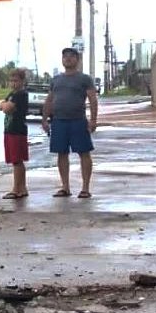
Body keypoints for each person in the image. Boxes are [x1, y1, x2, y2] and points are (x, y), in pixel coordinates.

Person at [42, 47, 98, 199]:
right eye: (65, 56)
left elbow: (93, 99)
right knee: (61, 153)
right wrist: (45, 119)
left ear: (77, 60)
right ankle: (65, 187)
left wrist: (93, 120)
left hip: (78, 121)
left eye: (71, 56)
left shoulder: (85, 79)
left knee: (84, 153)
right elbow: (49, 99)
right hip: (59, 121)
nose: (67, 59)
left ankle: (85, 188)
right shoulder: (56, 80)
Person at [0, 68, 30, 199]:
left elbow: (7, 108)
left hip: (17, 130)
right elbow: (0, 106)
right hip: (9, 130)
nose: (13, 83)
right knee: (15, 160)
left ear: (22, 81)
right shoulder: (12, 94)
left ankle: (17, 188)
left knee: (17, 161)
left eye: (16, 80)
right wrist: (5, 105)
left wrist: (6, 105)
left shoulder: (21, 95)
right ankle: (22, 188)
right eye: (11, 80)